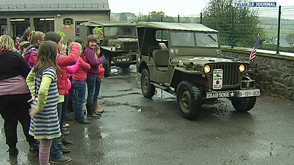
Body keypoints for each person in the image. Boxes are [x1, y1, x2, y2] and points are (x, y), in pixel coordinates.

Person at [0, 35, 38, 158]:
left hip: (2, 95)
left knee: (9, 122)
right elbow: (27, 72)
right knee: (25, 119)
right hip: (20, 93)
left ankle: (12, 148)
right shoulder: (16, 56)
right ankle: (32, 144)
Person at [44, 32, 80, 163]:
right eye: (61, 42)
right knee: (55, 123)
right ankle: (55, 152)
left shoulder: (56, 56)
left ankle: (59, 142)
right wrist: (75, 46)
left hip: (62, 91)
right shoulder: (54, 58)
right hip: (56, 94)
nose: (62, 45)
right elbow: (72, 60)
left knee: (61, 119)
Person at [26, 40, 61, 165]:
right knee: (46, 143)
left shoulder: (37, 67)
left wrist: (33, 93)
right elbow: (43, 90)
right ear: (52, 54)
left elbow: (29, 79)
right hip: (47, 113)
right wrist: (39, 105)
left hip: (41, 111)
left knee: (43, 143)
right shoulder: (50, 70)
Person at [71, 43, 91, 124]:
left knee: (76, 100)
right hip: (80, 80)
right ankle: (81, 117)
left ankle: (77, 115)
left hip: (74, 79)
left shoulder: (72, 58)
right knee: (80, 100)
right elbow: (88, 66)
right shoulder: (78, 59)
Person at [84, 35, 103, 118]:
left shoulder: (90, 51)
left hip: (93, 74)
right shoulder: (89, 51)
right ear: (88, 43)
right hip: (91, 75)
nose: (93, 44)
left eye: (95, 42)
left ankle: (92, 111)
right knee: (91, 93)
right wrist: (101, 60)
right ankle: (90, 112)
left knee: (92, 92)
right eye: (91, 42)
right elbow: (93, 62)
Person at [93, 45, 104, 114]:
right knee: (95, 93)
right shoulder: (97, 59)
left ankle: (94, 107)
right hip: (97, 77)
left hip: (98, 77)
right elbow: (98, 69)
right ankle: (95, 107)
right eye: (99, 50)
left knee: (95, 92)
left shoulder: (97, 58)